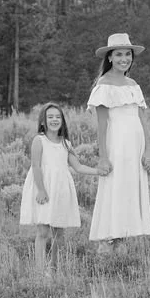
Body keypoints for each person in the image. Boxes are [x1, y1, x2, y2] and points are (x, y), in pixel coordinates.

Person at [20, 102, 108, 273]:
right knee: (43, 231)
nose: (54, 120)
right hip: (44, 188)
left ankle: (53, 269)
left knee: (59, 233)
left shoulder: (65, 143)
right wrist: (41, 190)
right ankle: (39, 272)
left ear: (62, 121)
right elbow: (36, 166)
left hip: (60, 190)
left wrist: (98, 171)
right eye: (50, 117)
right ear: (43, 121)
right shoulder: (39, 140)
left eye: (57, 117)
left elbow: (78, 166)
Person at [88, 33, 150, 252]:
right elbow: (102, 124)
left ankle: (122, 243)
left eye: (127, 54)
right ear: (109, 57)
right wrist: (103, 157)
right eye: (118, 55)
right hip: (116, 146)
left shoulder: (133, 85)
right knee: (114, 190)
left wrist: (148, 150)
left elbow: (142, 120)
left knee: (128, 192)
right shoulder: (103, 85)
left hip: (135, 148)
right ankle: (107, 245)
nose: (124, 59)